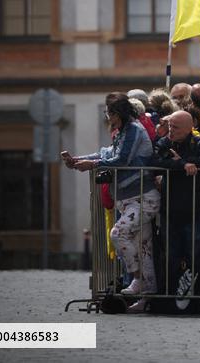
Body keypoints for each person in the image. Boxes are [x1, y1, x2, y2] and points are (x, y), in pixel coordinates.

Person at [64, 93, 160, 310]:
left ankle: (137, 279)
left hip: (143, 197)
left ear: (118, 113)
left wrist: (91, 164)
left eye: (109, 113)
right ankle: (147, 298)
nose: (108, 118)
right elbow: (106, 153)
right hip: (131, 199)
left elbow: (120, 160)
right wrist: (79, 159)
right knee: (144, 248)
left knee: (118, 233)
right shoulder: (124, 131)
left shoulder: (134, 130)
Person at [151, 110, 200, 313]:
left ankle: (196, 302)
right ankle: (168, 300)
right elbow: (154, 162)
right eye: (170, 126)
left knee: (195, 256)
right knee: (170, 256)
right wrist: (182, 164)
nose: (171, 131)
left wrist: (185, 161)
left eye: (176, 128)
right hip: (170, 211)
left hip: (195, 211)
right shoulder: (164, 143)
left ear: (190, 129)